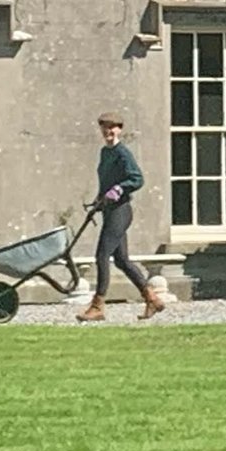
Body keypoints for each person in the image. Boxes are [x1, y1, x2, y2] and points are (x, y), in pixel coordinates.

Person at [81, 112, 166, 321]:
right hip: (110, 210)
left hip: (121, 212)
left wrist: (119, 189)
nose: (108, 132)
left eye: (112, 128)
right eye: (105, 128)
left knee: (102, 256)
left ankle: (98, 305)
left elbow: (137, 179)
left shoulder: (122, 153)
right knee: (121, 260)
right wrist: (99, 201)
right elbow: (106, 182)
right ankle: (152, 299)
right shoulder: (105, 152)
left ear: (119, 129)